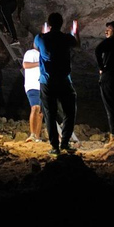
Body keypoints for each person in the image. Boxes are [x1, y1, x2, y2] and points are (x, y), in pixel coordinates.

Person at [34, 12, 80, 156]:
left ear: (49, 24)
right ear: (61, 24)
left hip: (47, 81)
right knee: (69, 111)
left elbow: (36, 47)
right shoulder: (66, 38)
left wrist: (44, 33)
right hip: (63, 80)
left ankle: (55, 146)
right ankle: (65, 142)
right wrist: (76, 31)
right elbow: (77, 44)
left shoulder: (41, 37)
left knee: (50, 113)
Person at [22, 41, 43, 142]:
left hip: (42, 86)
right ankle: (32, 135)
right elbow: (25, 65)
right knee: (35, 107)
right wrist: (40, 63)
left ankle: (37, 138)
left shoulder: (44, 55)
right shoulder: (30, 53)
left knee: (40, 113)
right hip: (32, 85)